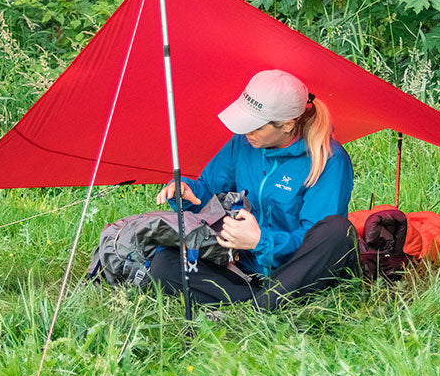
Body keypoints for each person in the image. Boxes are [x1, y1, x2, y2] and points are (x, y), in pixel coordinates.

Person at [149, 69, 359, 310]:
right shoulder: (242, 143)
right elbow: (208, 189)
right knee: (165, 262)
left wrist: (260, 241)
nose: (246, 131)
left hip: (299, 268)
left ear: (288, 125)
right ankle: (265, 302)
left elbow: (314, 238)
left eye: (256, 127)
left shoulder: (329, 159)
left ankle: (261, 305)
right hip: (244, 268)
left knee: (337, 231)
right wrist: (185, 191)